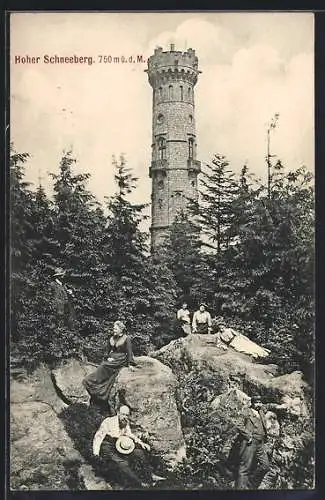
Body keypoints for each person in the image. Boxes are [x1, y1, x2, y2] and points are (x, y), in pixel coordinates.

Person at [92, 405, 165, 488]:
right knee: (123, 463)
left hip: (121, 444)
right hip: (108, 446)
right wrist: (96, 453)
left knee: (139, 453)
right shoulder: (108, 421)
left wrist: (141, 443)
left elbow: (129, 434)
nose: (125, 417)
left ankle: (150, 475)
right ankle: (139, 483)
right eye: (123, 414)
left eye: (127, 415)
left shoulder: (125, 422)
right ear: (118, 413)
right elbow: (98, 437)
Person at [233, 395, 286, 489]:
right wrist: (248, 436)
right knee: (244, 468)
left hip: (260, 443)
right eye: (256, 403)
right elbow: (238, 425)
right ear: (252, 403)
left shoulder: (261, 410)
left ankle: (250, 485)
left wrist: (279, 406)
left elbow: (268, 405)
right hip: (250, 443)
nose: (259, 404)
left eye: (260, 402)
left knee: (265, 466)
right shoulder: (246, 412)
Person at [82, 321, 135, 411]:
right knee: (103, 365)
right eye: (113, 328)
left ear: (121, 329)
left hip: (121, 359)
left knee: (106, 366)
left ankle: (101, 390)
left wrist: (130, 364)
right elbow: (107, 351)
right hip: (112, 358)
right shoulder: (111, 338)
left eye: (115, 328)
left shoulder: (127, 338)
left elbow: (129, 351)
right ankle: (93, 382)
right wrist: (107, 358)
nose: (113, 330)